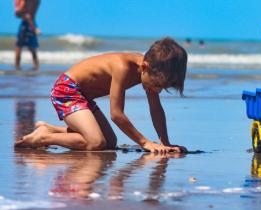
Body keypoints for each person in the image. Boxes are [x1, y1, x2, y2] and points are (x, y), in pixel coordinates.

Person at [15, 37, 188, 153]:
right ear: (145, 67)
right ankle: (43, 138)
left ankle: (49, 128)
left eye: (162, 88)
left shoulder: (150, 73)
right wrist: (144, 142)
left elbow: (156, 109)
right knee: (96, 143)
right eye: (157, 85)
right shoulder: (123, 67)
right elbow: (116, 114)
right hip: (67, 90)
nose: (156, 91)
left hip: (83, 97)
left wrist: (165, 143)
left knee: (109, 142)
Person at [14, 0, 41, 70]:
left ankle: (36, 67)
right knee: (20, 46)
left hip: (29, 23)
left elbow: (26, 15)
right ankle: (17, 67)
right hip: (28, 23)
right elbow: (18, 13)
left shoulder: (36, 1)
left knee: (29, 47)